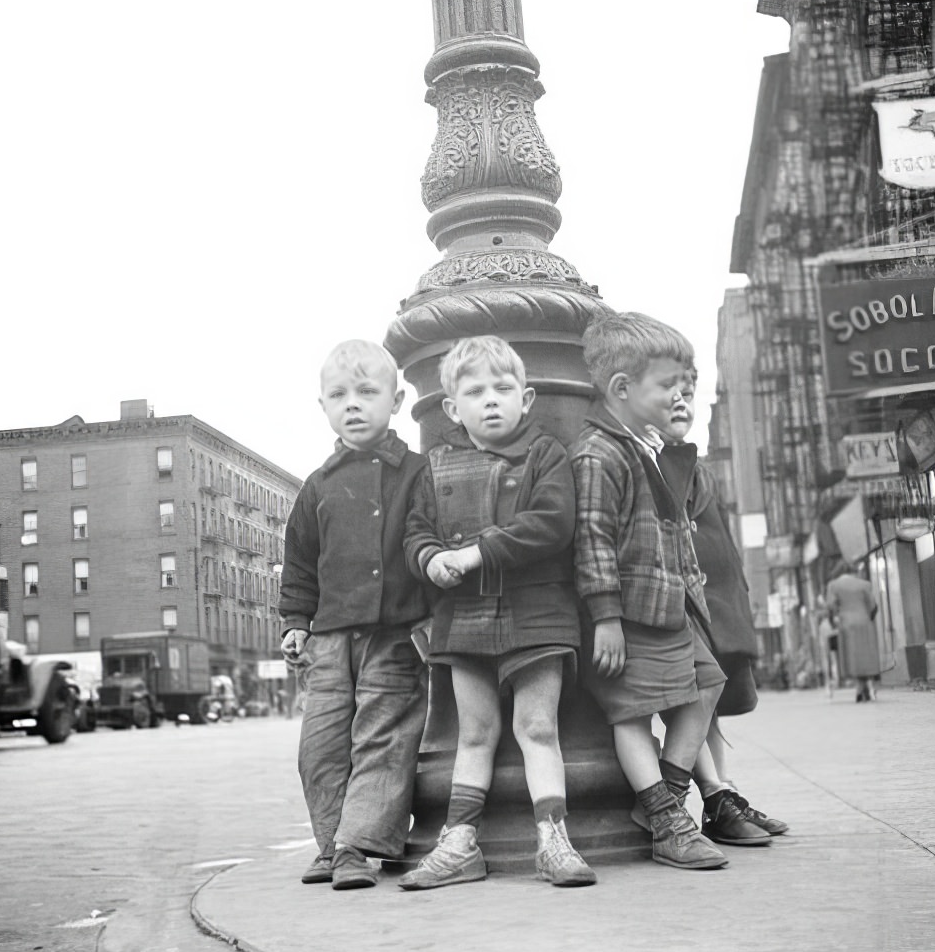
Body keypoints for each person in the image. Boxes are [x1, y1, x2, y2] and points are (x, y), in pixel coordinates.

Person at [399, 335, 596, 890]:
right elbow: (415, 531)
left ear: (527, 398)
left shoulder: (545, 454)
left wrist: (475, 551)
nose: (491, 399)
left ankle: (553, 839)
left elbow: (552, 522)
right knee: (475, 734)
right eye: (476, 391)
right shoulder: (434, 468)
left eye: (503, 388)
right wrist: (430, 558)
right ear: (451, 408)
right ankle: (459, 842)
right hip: (463, 621)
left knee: (538, 727)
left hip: (538, 615)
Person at [570, 312, 728, 870]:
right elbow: (592, 540)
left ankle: (665, 798)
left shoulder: (644, 445)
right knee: (631, 715)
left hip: (669, 607)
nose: (678, 394)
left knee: (708, 685)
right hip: (629, 613)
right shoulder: (599, 453)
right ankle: (665, 821)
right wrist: (605, 617)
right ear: (621, 389)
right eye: (667, 386)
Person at [279, 340, 429, 891]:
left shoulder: (417, 473)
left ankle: (356, 847)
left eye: (368, 392)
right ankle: (331, 843)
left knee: (381, 740)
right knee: (318, 747)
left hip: (394, 636)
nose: (353, 404)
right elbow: (298, 563)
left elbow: (426, 542)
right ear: (322, 406)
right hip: (329, 641)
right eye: (339, 394)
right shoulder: (317, 486)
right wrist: (295, 621)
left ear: (396, 400)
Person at [654, 374, 788, 845]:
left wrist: (740, 597)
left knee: (709, 702)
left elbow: (722, 538)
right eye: (668, 394)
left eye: (687, 395)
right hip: (682, 597)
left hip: (719, 598)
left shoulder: (697, 465)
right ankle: (715, 796)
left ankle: (723, 793)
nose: (680, 403)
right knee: (692, 697)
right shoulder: (649, 460)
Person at [824, 560, 881, 702]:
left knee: (853, 657)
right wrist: (869, 618)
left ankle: (860, 688)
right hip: (865, 621)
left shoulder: (834, 585)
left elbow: (830, 606)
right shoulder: (864, 584)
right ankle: (865, 686)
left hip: (847, 623)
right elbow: (873, 606)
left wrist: (833, 620)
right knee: (865, 655)